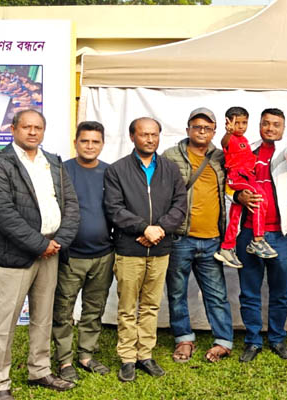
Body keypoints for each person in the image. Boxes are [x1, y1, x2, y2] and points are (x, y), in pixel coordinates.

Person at [0, 109, 79, 399]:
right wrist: (40, 244)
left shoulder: (53, 162)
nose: (33, 132)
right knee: (4, 323)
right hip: (14, 255)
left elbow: (71, 205)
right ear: (13, 129)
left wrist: (58, 241)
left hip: (51, 251)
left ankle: (39, 370)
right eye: (26, 127)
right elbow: (2, 214)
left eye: (38, 127)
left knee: (42, 318)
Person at [103, 117, 187, 382]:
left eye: (154, 134)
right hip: (129, 250)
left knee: (151, 305)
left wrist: (159, 229)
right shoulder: (117, 170)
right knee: (128, 307)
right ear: (132, 137)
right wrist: (143, 228)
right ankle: (128, 357)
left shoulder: (170, 169)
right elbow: (114, 208)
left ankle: (145, 355)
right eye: (144, 134)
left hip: (160, 249)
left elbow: (180, 205)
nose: (150, 139)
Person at [162, 107, 234, 364]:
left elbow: (236, 180)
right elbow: (160, 193)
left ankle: (223, 341)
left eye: (207, 128)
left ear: (214, 132)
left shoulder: (221, 157)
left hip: (212, 239)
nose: (202, 131)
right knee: (177, 292)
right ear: (188, 129)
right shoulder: (171, 156)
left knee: (216, 294)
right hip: (180, 238)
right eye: (197, 127)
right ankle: (184, 338)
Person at [234, 108, 287, 363]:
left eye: (276, 124)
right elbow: (230, 181)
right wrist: (237, 196)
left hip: (281, 236)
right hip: (248, 233)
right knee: (249, 291)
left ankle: (276, 338)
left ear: (283, 128)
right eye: (266, 123)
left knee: (280, 292)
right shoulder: (246, 151)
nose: (270, 128)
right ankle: (253, 340)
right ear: (260, 125)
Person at [51, 121, 113, 383]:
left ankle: (86, 355)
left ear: (102, 144)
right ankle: (64, 360)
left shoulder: (110, 172)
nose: (89, 146)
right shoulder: (62, 171)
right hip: (70, 255)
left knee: (94, 309)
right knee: (63, 310)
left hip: (103, 255)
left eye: (95, 141)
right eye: (84, 141)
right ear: (75, 142)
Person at [215, 106, 277, 268]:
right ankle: (257, 239)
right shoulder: (230, 139)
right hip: (237, 177)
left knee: (236, 213)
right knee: (259, 197)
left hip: (246, 176)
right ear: (228, 123)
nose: (241, 126)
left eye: (244, 123)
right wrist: (228, 133)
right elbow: (224, 143)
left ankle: (227, 247)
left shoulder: (244, 140)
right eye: (237, 123)